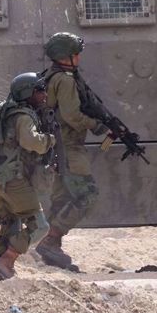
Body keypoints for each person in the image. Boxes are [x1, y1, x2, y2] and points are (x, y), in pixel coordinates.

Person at [36, 32, 109, 270]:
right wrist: (97, 125)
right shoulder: (65, 80)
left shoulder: (52, 76)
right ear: (65, 56)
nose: (79, 57)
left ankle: (48, 250)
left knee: (60, 198)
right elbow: (72, 116)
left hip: (57, 146)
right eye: (75, 53)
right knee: (87, 195)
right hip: (68, 147)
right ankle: (50, 241)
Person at [0, 73, 55, 281]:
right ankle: (6, 261)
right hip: (14, 181)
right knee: (40, 226)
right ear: (28, 93)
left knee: (10, 223)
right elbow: (30, 141)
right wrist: (48, 140)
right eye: (39, 90)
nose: (44, 94)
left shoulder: (6, 114)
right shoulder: (23, 116)